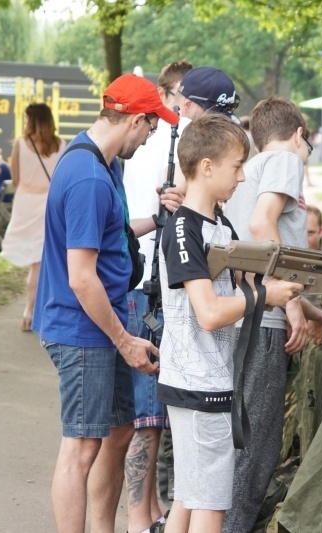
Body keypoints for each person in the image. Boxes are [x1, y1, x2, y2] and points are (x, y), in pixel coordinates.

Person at [33, 73, 179, 532]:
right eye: (152, 125)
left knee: (117, 433)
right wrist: (125, 341)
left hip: (102, 325)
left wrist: (158, 218)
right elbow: (82, 277)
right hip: (83, 330)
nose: (152, 135)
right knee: (81, 447)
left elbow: (109, 234)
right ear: (135, 119)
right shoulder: (90, 178)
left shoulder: (104, 162)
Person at [155, 113, 304, 533]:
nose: (242, 177)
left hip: (202, 380)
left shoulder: (219, 224)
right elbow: (209, 313)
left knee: (188, 499)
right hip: (200, 384)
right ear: (207, 167)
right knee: (211, 507)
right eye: (237, 166)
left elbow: (252, 278)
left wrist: (311, 286)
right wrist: (267, 296)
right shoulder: (185, 228)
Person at [223, 96, 322, 533]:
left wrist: (310, 310)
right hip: (263, 321)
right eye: (307, 143)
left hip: (240, 315)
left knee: (240, 439)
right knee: (257, 444)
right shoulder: (285, 160)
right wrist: (293, 305)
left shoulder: (250, 169)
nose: (307, 151)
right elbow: (263, 226)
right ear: (298, 135)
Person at [121, 59, 192, 533]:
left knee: (151, 414)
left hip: (153, 284)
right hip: (145, 289)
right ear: (164, 96)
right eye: (181, 96)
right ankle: (138, 519)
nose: (185, 108)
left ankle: (146, 514)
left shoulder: (162, 141)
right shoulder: (157, 144)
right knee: (146, 414)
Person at [1, 103, 65, 332]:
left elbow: (16, 179)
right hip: (50, 204)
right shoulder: (61, 145)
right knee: (45, 260)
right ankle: (38, 309)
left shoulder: (20, 143)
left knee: (35, 262)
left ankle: (29, 311)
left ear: (31, 120)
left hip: (26, 204)